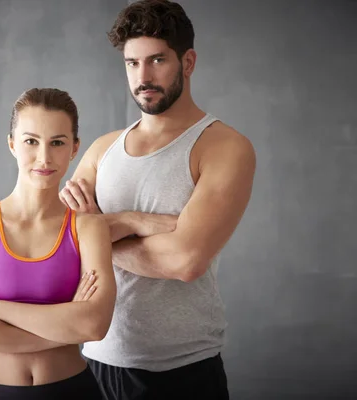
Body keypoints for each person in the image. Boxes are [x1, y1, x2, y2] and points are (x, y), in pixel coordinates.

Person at [59, 1, 257, 399]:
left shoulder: (223, 147)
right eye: (132, 63)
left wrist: (98, 231)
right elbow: (61, 245)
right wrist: (133, 220)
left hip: (180, 371)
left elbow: (184, 262)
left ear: (188, 62)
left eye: (156, 60)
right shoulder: (102, 149)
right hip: (92, 361)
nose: (143, 77)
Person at [0, 88, 116, 400]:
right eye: (31, 141)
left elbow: (94, 325)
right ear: (12, 144)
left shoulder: (89, 228)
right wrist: (64, 326)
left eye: (57, 142)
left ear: (74, 148)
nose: (44, 157)